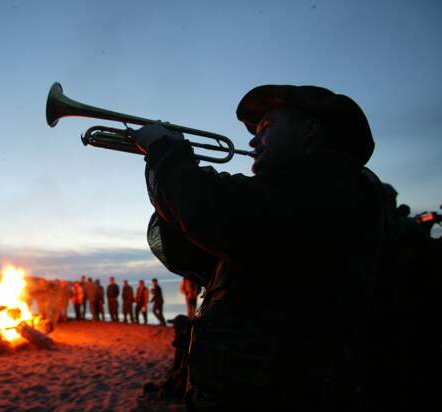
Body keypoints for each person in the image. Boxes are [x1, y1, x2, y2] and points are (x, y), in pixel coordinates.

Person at [131, 85, 385, 409]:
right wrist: (169, 191)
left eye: (266, 128)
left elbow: (213, 212)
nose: (253, 140)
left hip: (281, 393)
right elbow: (192, 253)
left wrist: (168, 156)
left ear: (308, 131)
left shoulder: (332, 188)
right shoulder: (283, 192)